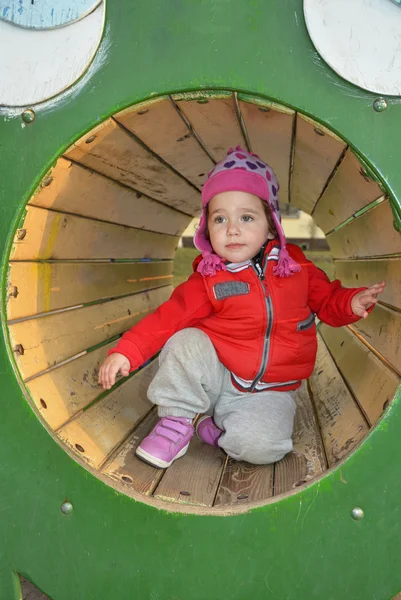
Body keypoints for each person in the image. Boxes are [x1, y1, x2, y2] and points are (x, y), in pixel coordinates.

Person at [98, 146, 385, 469]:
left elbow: (329, 302)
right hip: (218, 376)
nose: (232, 229)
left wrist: (351, 301)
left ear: (271, 224)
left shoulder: (296, 269)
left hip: (271, 392)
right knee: (185, 341)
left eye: (246, 217)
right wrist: (128, 350)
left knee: (262, 448)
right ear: (207, 228)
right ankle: (176, 422)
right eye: (220, 219)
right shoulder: (209, 276)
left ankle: (218, 430)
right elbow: (169, 317)